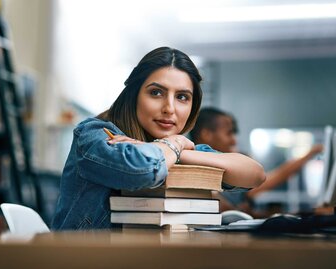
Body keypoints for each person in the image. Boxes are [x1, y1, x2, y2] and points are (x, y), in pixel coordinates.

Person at [51, 47, 266, 230]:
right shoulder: (94, 134)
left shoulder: (175, 150)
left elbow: (254, 174)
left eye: (182, 97)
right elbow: (143, 169)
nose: (169, 108)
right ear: (134, 94)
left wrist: (178, 151)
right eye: (156, 93)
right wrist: (174, 144)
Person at [190, 107, 323, 216]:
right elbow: (277, 176)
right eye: (229, 133)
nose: (234, 141)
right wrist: (312, 152)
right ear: (206, 134)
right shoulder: (190, 172)